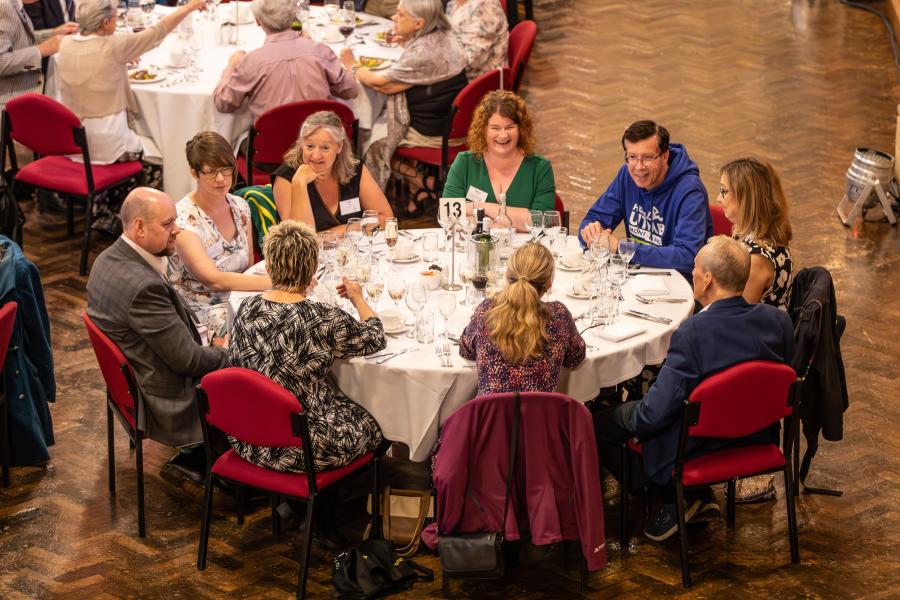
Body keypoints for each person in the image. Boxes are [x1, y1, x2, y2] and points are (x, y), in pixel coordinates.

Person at [592, 236, 794, 542]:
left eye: (695, 269)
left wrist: (617, 415)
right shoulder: (778, 322)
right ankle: (697, 497)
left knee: (599, 422)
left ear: (708, 279)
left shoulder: (693, 332)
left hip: (698, 446)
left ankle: (674, 500)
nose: (692, 274)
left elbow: (652, 416)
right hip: (756, 436)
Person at [86, 187, 229, 480]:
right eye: (167, 224)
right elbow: (187, 362)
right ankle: (247, 468)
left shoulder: (107, 260)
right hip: (167, 399)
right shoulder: (142, 287)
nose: (176, 230)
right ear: (139, 227)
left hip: (136, 379)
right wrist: (227, 353)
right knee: (255, 367)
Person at [228, 220, 386, 472]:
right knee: (380, 420)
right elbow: (375, 337)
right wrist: (358, 299)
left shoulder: (247, 307)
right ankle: (345, 499)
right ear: (313, 268)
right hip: (305, 447)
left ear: (268, 266)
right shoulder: (321, 316)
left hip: (249, 436)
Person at [339, 0, 467, 204]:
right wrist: (408, 41)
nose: (393, 18)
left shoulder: (423, 53)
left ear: (419, 23)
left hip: (431, 130)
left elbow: (381, 84)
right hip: (446, 117)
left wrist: (352, 66)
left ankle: (372, 206)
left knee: (366, 138)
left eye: (400, 15)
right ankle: (419, 183)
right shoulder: (444, 35)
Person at [718, 157, 793, 503]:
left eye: (724, 192)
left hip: (753, 354)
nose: (718, 200)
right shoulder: (754, 238)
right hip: (757, 342)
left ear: (745, 199)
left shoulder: (756, 258)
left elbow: (734, 318)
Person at [55, 0, 204, 164]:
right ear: (105, 23)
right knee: (165, 146)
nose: (116, 21)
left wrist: (120, 60)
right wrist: (189, 7)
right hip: (108, 146)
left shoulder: (66, 44)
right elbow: (158, 31)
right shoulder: (114, 46)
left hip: (72, 144)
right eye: (114, 18)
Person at [167, 132, 271, 343]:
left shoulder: (240, 206)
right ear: (194, 173)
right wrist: (274, 283)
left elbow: (248, 264)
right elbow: (213, 280)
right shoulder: (184, 219)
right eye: (211, 172)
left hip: (241, 296)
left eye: (226, 169)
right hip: (202, 311)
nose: (221, 179)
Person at [579, 120, 712, 278]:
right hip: (637, 278)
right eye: (632, 157)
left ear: (664, 156)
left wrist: (623, 248)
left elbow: (688, 256)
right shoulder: (626, 176)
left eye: (648, 157)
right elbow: (593, 219)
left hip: (681, 286)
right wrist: (591, 232)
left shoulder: (690, 191)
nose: (639, 167)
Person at [459, 243, 585, 395]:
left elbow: (465, 350)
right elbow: (576, 357)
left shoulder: (487, 312)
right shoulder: (559, 316)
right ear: (549, 284)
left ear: (507, 276)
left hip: (491, 418)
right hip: (543, 417)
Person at [213, 0, 357, 121]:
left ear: (258, 21)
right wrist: (352, 67)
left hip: (271, 148)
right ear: (294, 18)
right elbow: (350, 90)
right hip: (319, 146)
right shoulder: (319, 51)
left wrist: (232, 65)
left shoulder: (251, 61)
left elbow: (224, 104)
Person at [442, 90, 555, 230]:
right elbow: (448, 215)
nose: (503, 135)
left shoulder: (540, 168)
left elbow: (542, 222)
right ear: (483, 130)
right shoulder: (464, 163)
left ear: (522, 129)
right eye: (495, 128)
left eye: (510, 127)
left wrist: (483, 208)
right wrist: (514, 219)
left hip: (523, 250)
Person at [271, 110, 393, 234]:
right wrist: (299, 183)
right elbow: (300, 240)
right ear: (302, 144)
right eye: (310, 146)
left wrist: (336, 233)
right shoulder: (286, 177)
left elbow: (386, 218)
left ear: (339, 147)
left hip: (352, 250)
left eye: (325, 148)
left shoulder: (353, 169)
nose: (316, 155)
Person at [0, 0, 76, 112]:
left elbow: (22, 39)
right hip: (11, 107)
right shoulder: (4, 6)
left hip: (24, 100)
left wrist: (54, 33)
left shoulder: (15, 4)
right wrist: (41, 50)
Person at [446, 0, 507, 81]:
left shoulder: (485, 7)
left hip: (478, 80)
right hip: (459, 70)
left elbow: (473, 60)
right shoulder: (455, 3)